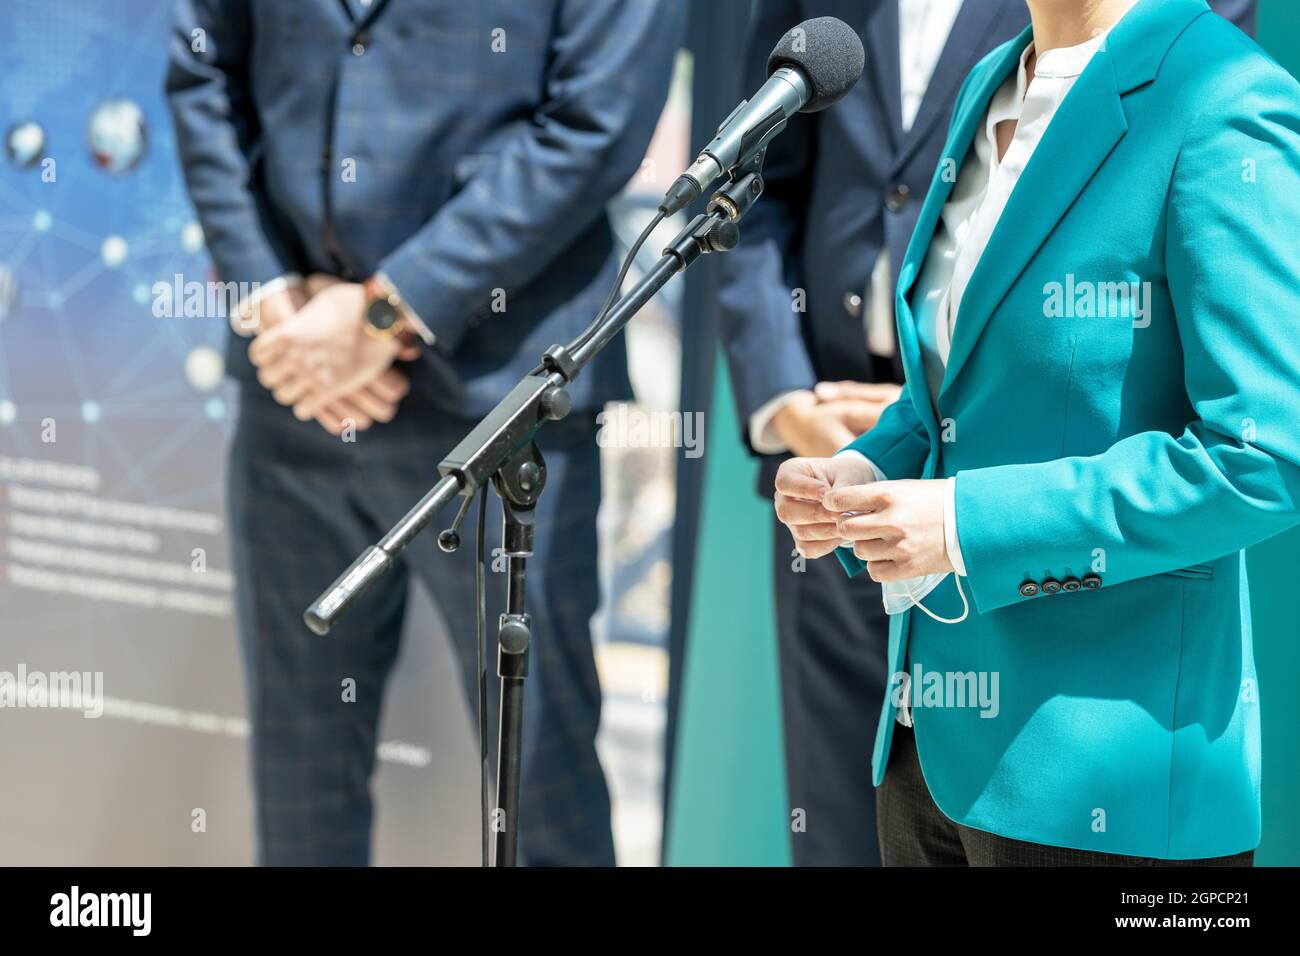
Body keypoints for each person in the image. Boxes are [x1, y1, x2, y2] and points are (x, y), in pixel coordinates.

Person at [718, 0, 1253, 866]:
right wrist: (862, 467)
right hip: (924, 752)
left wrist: (963, 522)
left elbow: (1264, 457)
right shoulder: (993, 83)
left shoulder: (1221, 92)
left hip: (1097, 770)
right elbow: (964, 383)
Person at [166, 0, 680, 866]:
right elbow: (202, 70)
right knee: (300, 780)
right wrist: (272, 300)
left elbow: (595, 122)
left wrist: (379, 315)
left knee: (538, 778)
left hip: (507, 405)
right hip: (291, 387)